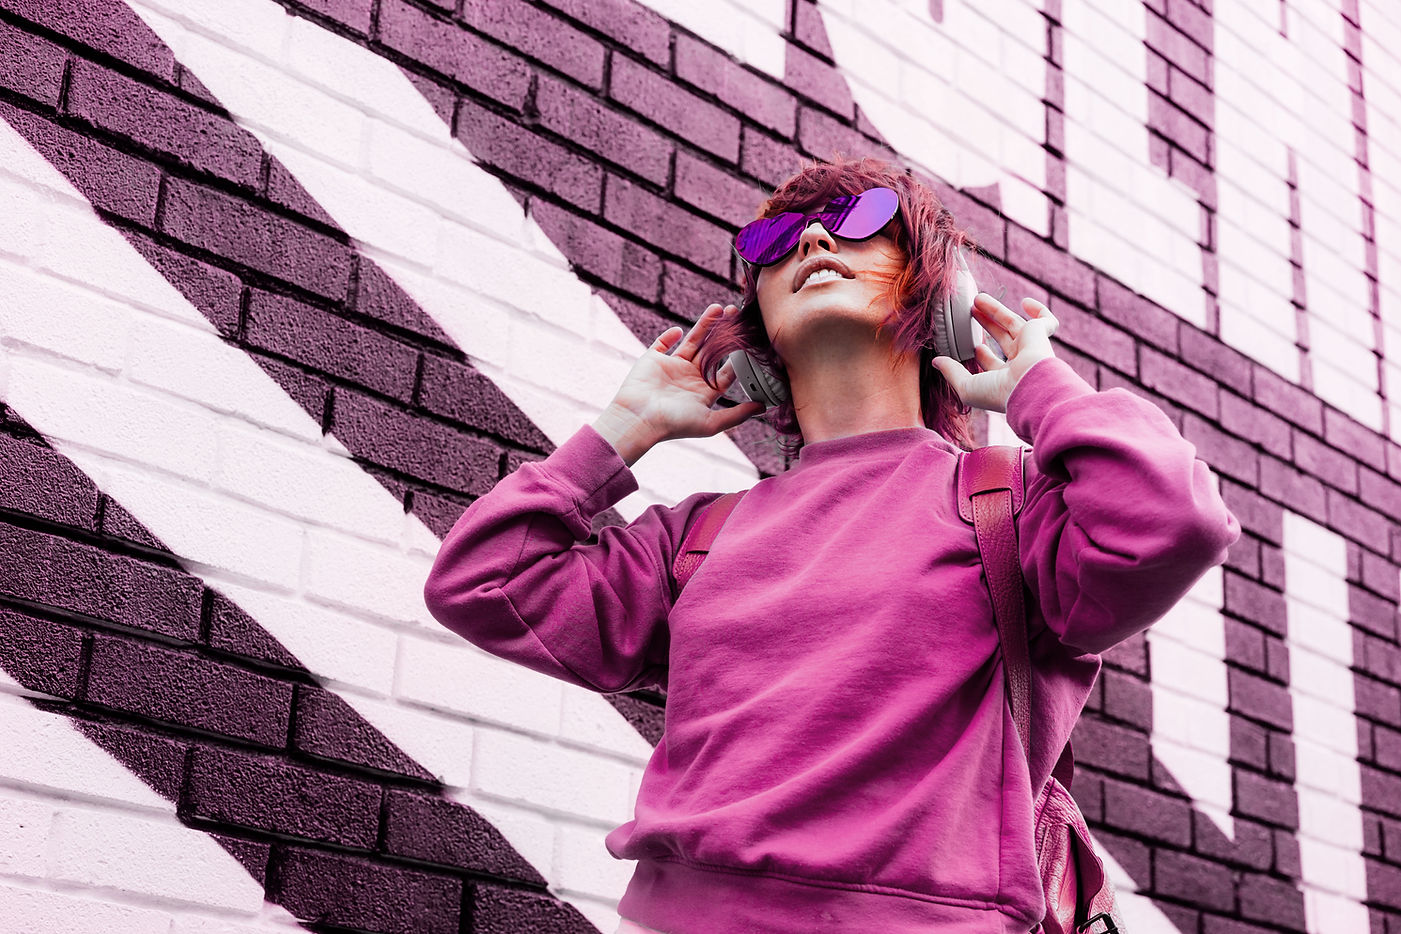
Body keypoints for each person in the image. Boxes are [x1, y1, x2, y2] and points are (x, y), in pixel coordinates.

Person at [423, 155, 1241, 934]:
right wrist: (622, 432)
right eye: (774, 243)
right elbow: (483, 584)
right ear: (759, 339)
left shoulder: (1012, 502)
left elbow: (1172, 520)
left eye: (861, 222)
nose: (813, 241)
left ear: (941, 293)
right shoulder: (697, 536)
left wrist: (1040, 390)